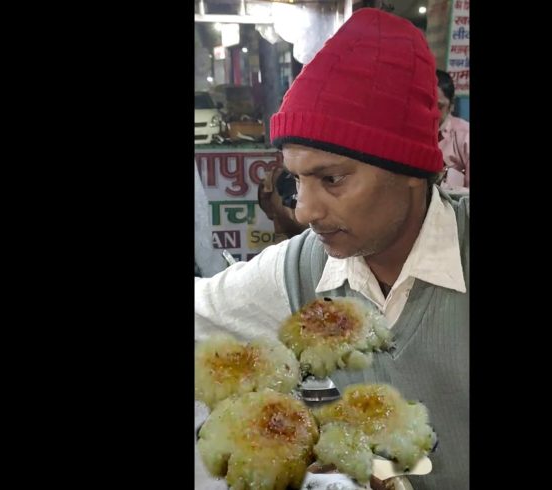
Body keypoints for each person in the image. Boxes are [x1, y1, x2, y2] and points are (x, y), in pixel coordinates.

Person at [195, 8, 468, 489]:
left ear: (410, 169)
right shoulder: (306, 267)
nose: (303, 211)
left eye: (331, 178)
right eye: (296, 179)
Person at [436, 69, 470, 191]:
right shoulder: (414, 134)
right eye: (428, 105)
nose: (433, 112)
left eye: (439, 106)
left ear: (452, 104)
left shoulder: (465, 135)